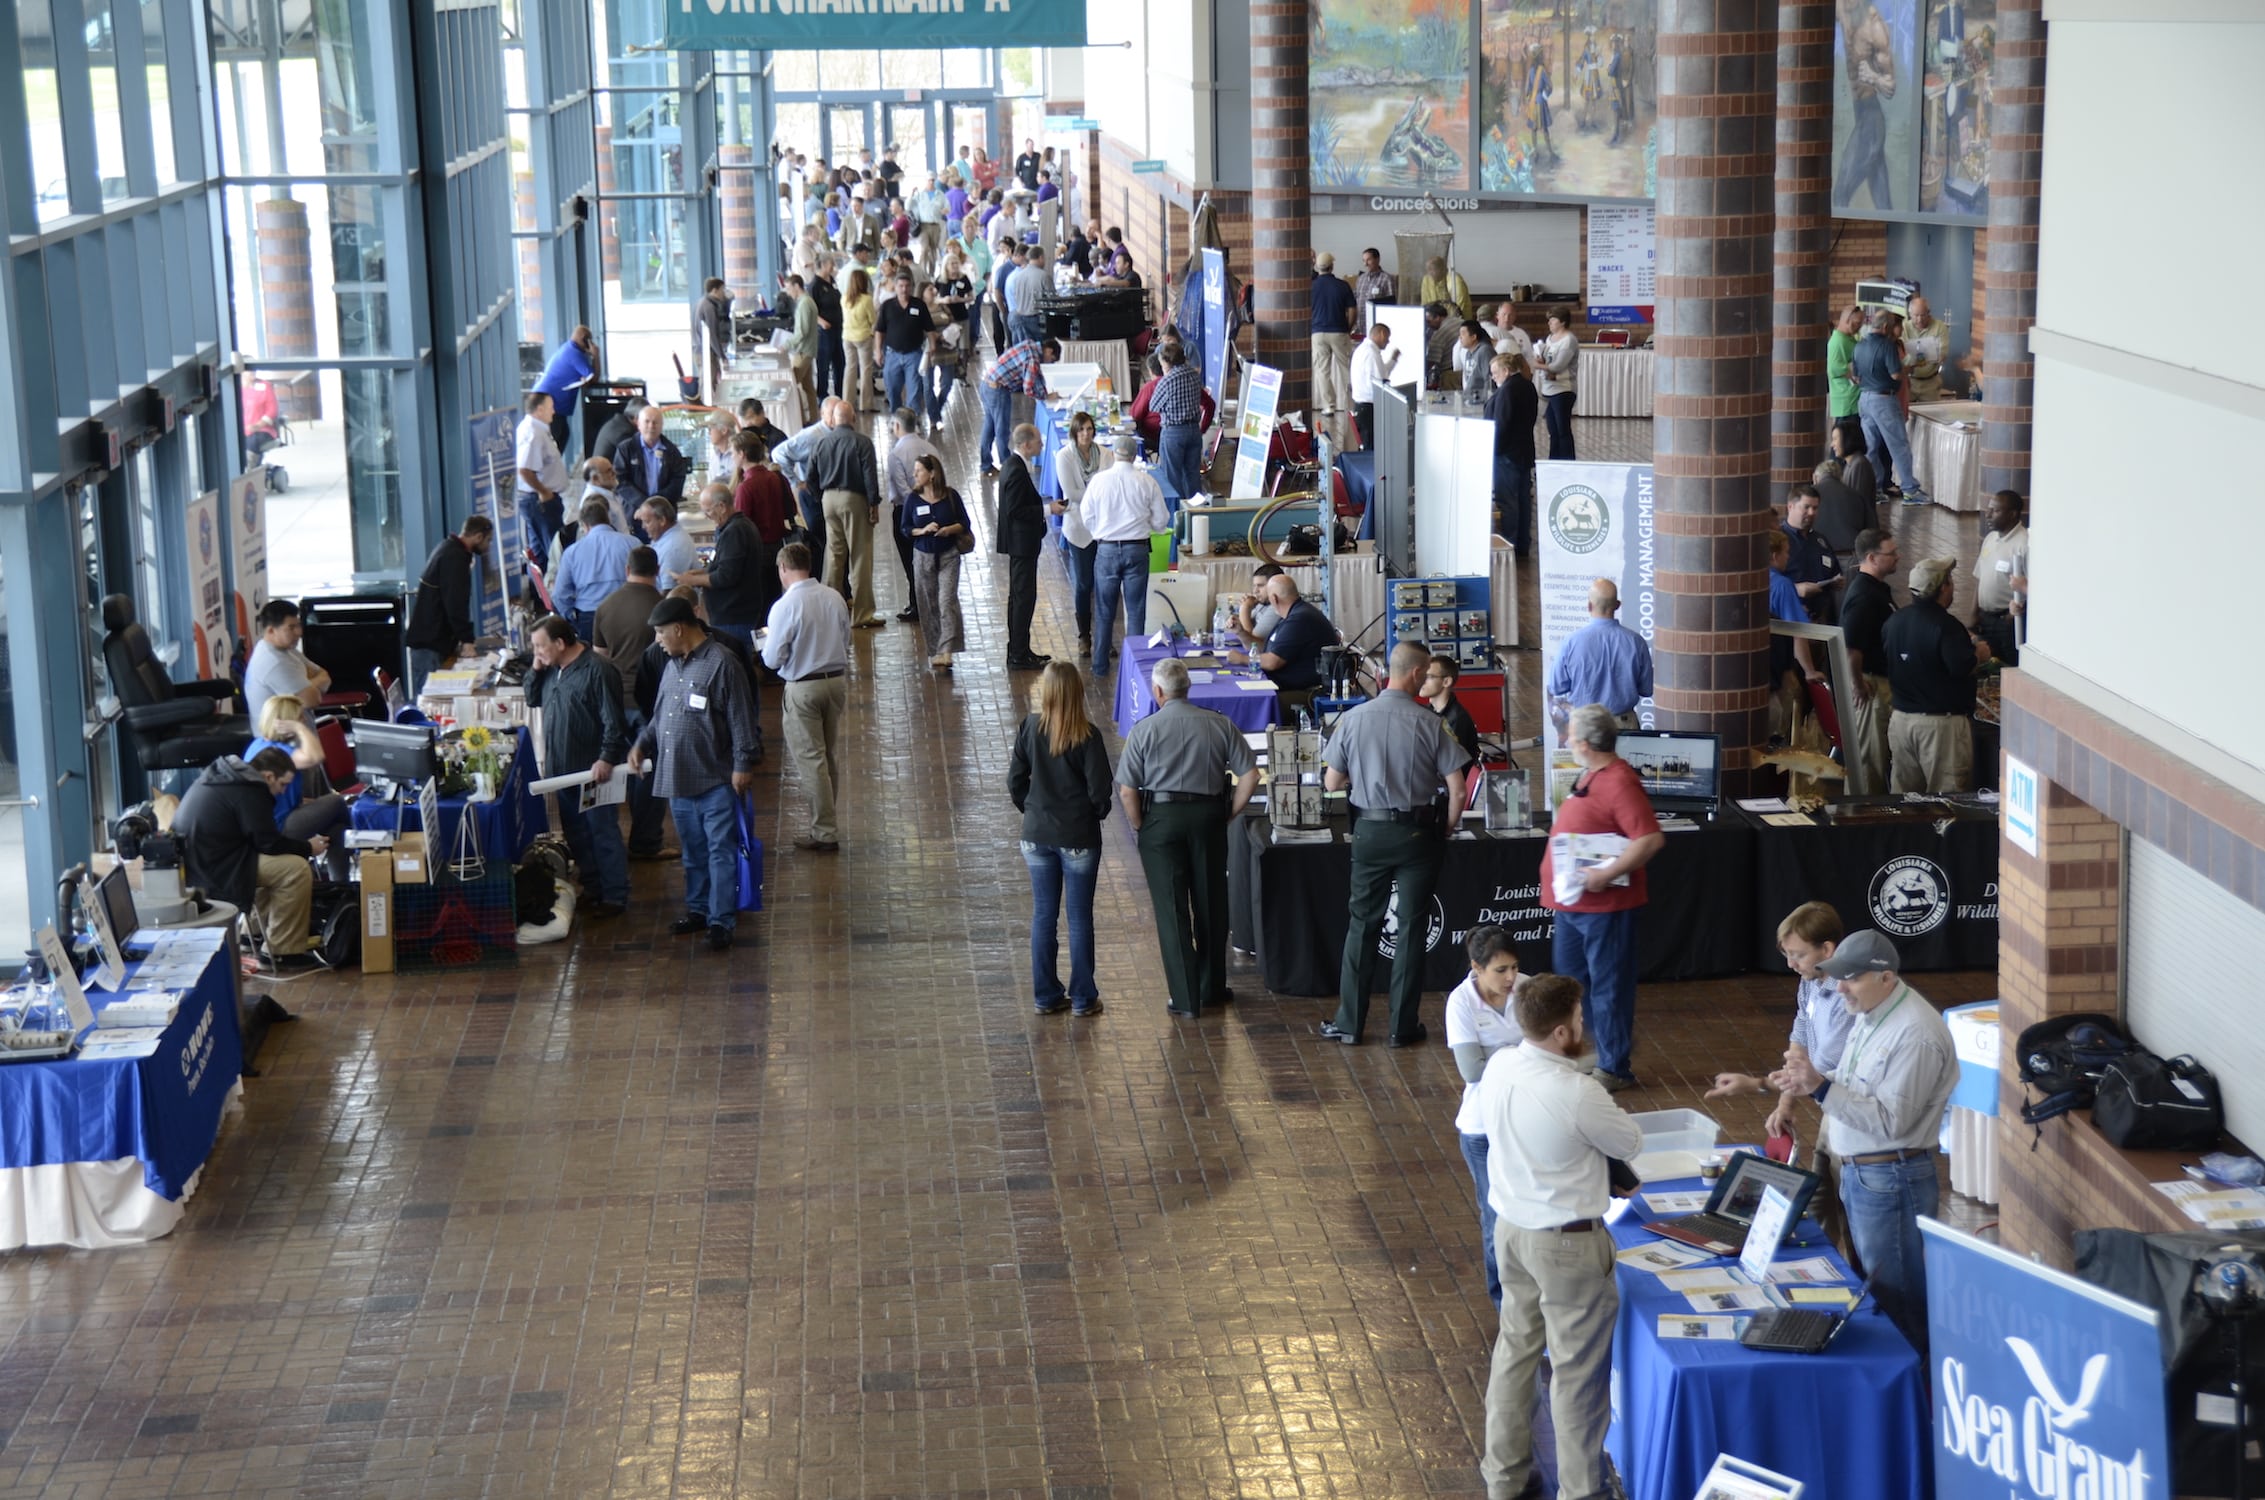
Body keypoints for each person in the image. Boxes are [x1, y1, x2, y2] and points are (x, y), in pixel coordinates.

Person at [1474, 973, 1642, 1500]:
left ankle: (1503, 1477)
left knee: (1515, 1354)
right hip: (1568, 1247)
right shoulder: (1578, 1091)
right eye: (1579, 1016)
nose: (1584, 1023)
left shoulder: (1500, 1064)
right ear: (1563, 1032)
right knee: (1577, 1377)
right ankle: (1582, 1491)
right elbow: (1629, 1140)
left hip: (1512, 1233)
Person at [1769, 929, 1957, 1359]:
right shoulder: (1872, 1013)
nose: (1839, 988)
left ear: (1886, 977)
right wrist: (1806, 1084)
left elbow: (1892, 1122)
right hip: (1866, 1175)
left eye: (1850, 979)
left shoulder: (1915, 1035)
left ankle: (1915, 1397)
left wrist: (1819, 1089)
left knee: (1897, 1299)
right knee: (1875, 1288)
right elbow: (1855, 1086)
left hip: (1892, 1179)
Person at [1319, 642, 1473, 1047]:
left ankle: (1350, 1023)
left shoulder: (1352, 719)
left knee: (1362, 925)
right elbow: (1458, 790)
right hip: (1418, 834)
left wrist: (1366, 783)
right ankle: (1402, 1028)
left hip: (1369, 832)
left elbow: (1331, 783)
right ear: (1419, 674)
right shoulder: (1430, 723)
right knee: (1410, 928)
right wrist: (1448, 829)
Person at [1708, 901, 1857, 1260]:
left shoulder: (1845, 996)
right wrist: (1785, 1103)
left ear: (1827, 949)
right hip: (1831, 1113)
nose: (1790, 964)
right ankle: (1821, 1270)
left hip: (1856, 1122)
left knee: (1852, 1222)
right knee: (1820, 1206)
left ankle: (1859, 1286)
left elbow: (1815, 1072)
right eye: (1787, 954)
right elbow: (1801, 1036)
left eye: (1798, 955)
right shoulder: (1811, 979)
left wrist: (1756, 1084)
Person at [1115, 658, 1260, 1019]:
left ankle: (1184, 996)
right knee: (1211, 903)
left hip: (1160, 821)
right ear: (1188, 688)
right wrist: (1229, 813)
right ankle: (1211, 987)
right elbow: (1251, 776)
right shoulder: (1219, 724)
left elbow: (1127, 790)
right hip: (1208, 817)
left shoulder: (1144, 730)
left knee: (1171, 909)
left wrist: (1140, 826)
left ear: (1158, 692)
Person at [1539, 703, 1665, 1092]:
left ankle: (1614, 1064)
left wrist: (1605, 874)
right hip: (1574, 905)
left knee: (1608, 984)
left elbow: (1649, 839)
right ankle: (1606, 1045)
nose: (1566, 741)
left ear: (1589, 743)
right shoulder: (1594, 774)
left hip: (1604, 908)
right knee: (1573, 983)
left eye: (1571, 736)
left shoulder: (1619, 781)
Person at [630, 596, 760, 952]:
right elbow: (661, 715)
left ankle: (721, 921)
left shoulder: (722, 663)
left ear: (678, 628)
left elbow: (740, 718)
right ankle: (699, 909)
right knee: (693, 851)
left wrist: (742, 764)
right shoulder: (672, 665)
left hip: (715, 778)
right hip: (678, 779)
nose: (657, 640)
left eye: (659, 632)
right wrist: (642, 743)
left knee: (720, 850)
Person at [1009, 662, 1115, 1018]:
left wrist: (1032, 810)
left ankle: (1046, 995)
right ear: (1077, 693)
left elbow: (1015, 780)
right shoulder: (1087, 736)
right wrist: (1093, 814)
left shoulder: (1029, 728)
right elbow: (1100, 792)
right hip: (1078, 837)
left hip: (1036, 835)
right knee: (1080, 918)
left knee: (1043, 915)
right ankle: (1083, 998)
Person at [175, 746, 329, 969]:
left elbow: (263, 841)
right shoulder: (250, 789)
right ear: (268, 776)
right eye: (283, 784)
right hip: (216, 868)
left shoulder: (228, 777)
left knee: (278, 866)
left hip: (202, 861)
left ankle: (252, 932)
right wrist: (308, 847)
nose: (284, 792)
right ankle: (281, 952)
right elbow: (268, 842)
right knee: (295, 869)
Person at [525, 615, 631, 919]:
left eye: (540, 646)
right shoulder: (550, 670)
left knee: (602, 834)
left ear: (560, 643)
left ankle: (614, 895)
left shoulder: (598, 671)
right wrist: (536, 666)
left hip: (593, 774)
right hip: (563, 772)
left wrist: (607, 758)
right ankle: (593, 887)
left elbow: (615, 722)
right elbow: (532, 697)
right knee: (578, 835)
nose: (537, 652)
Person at [1443, 926, 1523, 1309]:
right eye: (1500, 970)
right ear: (1476, 967)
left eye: (1514, 968)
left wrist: (1501, 1055)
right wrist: (1525, 1055)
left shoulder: (1528, 989)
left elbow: (1563, 1048)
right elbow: (1471, 1070)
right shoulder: (1460, 1003)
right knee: (1496, 1221)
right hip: (1482, 1131)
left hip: (1524, 1122)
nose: (1510, 978)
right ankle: (1503, 1304)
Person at [760, 541, 851, 853]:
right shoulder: (833, 596)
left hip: (803, 688)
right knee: (827, 756)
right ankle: (825, 822)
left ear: (783, 568)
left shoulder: (785, 606)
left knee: (812, 760)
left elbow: (772, 659)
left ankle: (824, 831)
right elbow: (846, 637)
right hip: (835, 682)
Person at [1881, 554, 1986, 792]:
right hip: (1940, 729)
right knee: (1947, 803)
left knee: (1906, 801)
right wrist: (1979, 653)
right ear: (1943, 588)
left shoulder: (1895, 621)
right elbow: (1962, 667)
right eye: (1950, 580)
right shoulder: (1946, 626)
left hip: (1901, 722)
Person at [1079, 431, 1170, 677]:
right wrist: (1147, 524)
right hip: (1137, 549)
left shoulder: (1098, 481)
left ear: (1114, 455)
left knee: (1105, 610)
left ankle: (1099, 666)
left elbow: (1086, 515)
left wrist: (1101, 531)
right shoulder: (1147, 481)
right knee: (1136, 610)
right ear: (1133, 456)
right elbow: (1162, 521)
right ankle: (1135, 669)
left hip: (1106, 550)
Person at [805, 395, 885, 628]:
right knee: (860, 557)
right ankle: (862, 614)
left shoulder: (821, 442)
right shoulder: (862, 442)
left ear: (834, 420)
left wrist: (820, 496)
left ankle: (829, 612)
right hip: (854, 499)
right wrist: (874, 504)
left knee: (834, 556)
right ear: (852, 418)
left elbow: (809, 476)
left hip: (828, 499)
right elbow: (870, 476)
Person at [243, 694, 350, 856]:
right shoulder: (278, 753)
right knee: (337, 801)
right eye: (300, 718)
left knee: (335, 825)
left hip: (283, 816)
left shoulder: (258, 743)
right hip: (280, 826)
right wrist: (299, 729)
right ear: (285, 722)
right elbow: (316, 757)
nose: (305, 721)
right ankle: (361, 844)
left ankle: (340, 880)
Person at [1839, 528, 1900, 792]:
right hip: (1870, 687)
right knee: (1869, 759)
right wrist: (1858, 685)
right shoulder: (1864, 596)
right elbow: (1852, 649)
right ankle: (1861, 813)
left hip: (1877, 683)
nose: (1898, 557)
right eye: (1892, 553)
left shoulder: (1876, 589)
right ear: (1873, 558)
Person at [1548, 579, 1652, 731]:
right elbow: (1646, 689)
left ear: (1589, 606)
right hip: (1625, 726)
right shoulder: (1636, 642)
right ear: (1617, 605)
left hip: (1585, 727)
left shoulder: (1571, 642)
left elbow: (1556, 687)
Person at [405, 515, 494, 693]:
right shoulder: (455, 558)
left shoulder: (447, 547)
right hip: (430, 645)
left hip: (430, 641)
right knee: (430, 702)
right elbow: (455, 604)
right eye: (488, 540)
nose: (488, 545)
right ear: (477, 537)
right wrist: (466, 639)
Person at [901, 454, 970, 670]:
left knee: (946, 601)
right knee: (929, 604)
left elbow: (965, 522)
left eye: (919, 470)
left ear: (932, 474)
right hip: (923, 557)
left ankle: (947, 650)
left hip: (949, 555)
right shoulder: (912, 499)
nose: (914, 474)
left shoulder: (950, 496)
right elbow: (905, 528)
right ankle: (936, 649)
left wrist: (949, 529)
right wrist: (922, 530)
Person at [1855, 309, 1928, 503]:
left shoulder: (1860, 344)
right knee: (1899, 445)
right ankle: (1910, 490)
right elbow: (1895, 374)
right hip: (1884, 399)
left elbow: (1855, 375)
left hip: (1864, 398)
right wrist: (1908, 368)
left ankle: (1874, 489)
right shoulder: (1887, 345)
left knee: (1871, 447)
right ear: (1886, 327)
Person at [995, 423, 1052, 671]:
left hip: (1021, 544)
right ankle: (1018, 653)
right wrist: (1049, 510)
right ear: (1026, 444)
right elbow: (1017, 510)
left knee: (1020, 597)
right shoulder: (1016, 470)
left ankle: (1020, 649)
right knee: (1022, 598)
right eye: (1038, 441)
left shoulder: (1013, 465)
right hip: (1022, 545)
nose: (1041, 444)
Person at [1053, 410, 1107, 658]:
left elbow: (1111, 487)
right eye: (1081, 429)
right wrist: (1098, 494)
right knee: (1084, 583)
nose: (1086, 434)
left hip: (1104, 527)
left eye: (1089, 429)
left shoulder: (1105, 455)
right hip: (1078, 528)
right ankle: (1084, 635)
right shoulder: (1064, 456)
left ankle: (1105, 637)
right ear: (1074, 433)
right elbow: (1071, 493)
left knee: (1105, 584)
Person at [1835, 0, 1899, 209]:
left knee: (1840, 195)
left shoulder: (1875, 26)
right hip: (1860, 115)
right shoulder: (1840, 8)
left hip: (1871, 123)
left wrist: (1874, 78)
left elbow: (1890, 86)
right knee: (1884, 206)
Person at [727, 429, 794, 622]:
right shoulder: (776, 478)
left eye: (733, 453)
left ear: (742, 454)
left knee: (758, 607)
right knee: (773, 601)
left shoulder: (745, 488)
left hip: (756, 553)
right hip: (777, 548)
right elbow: (791, 509)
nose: (732, 457)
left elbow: (741, 526)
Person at [1231, 573, 1335, 695]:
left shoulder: (1299, 619)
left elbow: (1272, 662)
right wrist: (1241, 633)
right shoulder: (1293, 613)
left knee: (1246, 703)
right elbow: (1266, 649)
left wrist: (1242, 659)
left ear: (1274, 598)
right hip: (1283, 685)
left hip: (1302, 693)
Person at [883, 407, 941, 622]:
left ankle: (919, 605)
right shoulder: (930, 447)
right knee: (927, 558)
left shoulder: (896, 454)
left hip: (906, 513)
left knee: (910, 561)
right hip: (933, 509)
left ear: (897, 426)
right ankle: (920, 602)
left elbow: (902, 489)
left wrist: (914, 510)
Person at [552, 496, 634, 641]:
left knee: (594, 661)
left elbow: (560, 594)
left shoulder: (572, 552)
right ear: (608, 520)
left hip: (589, 617)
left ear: (584, 525)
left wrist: (572, 617)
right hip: (626, 613)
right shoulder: (632, 543)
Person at [242, 599, 333, 726]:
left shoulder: (287, 649)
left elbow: (325, 676)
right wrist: (309, 686)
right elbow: (312, 699)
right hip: (283, 741)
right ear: (271, 631)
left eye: (298, 625)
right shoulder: (274, 662)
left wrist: (307, 686)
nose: (299, 632)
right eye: (291, 627)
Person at [980, 334, 1058, 478]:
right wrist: (1045, 397)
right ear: (1049, 351)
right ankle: (1007, 467)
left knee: (989, 428)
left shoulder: (1030, 345)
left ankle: (985, 466)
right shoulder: (1033, 357)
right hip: (998, 390)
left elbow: (1036, 376)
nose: (1049, 363)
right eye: (1051, 360)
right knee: (1001, 431)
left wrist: (1044, 393)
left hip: (987, 384)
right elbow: (1028, 388)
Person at [1487, 352, 1539, 551]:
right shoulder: (1528, 386)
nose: (1493, 377)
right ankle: (1523, 544)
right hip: (1524, 450)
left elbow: (1501, 424)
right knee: (1524, 499)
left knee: (1508, 502)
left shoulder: (1507, 391)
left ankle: (1509, 544)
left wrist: (1493, 450)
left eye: (1495, 373)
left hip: (1506, 453)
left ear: (1506, 371)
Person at [1973, 488, 2028, 666]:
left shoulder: (2024, 544)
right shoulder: (1990, 538)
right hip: (1984, 618)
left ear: (2012, 514)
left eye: (1995, 511)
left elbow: (2031, 585)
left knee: (2009, 667)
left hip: (2006, 622)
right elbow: (1980, 577)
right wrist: (1973, 613)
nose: (1988, 515)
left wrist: (2010, 619)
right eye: (1989, 509)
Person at [515, 391, 571, 565]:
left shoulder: (538, 430)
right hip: (541, 502)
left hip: (539, 500)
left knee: (539, 552)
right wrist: (543, 491)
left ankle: (538, 591)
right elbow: (524, 469)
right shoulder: (533, 433)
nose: (554, 412)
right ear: (539, 410)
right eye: (550, 408)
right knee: (554, 550)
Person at [1781, 483, 1844, 624]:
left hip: (1821, 616)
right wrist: (1795, 589)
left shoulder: (1820, 540)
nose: (1811, 513)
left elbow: (1833, 570)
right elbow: (1768, 580)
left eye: (1815, 508)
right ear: (1790, 506)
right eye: (1806, 507)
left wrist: (1835, 582)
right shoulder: (1778, 539)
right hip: (1791, 616)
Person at [1149, 344, 1205, 501]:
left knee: (1172, 478)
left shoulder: (1167, 380)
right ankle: (1196, 514)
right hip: (1194, 430)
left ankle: (1178, 517)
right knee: (1193, 477)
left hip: (1173, 432)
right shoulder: (1195, 376)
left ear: (1167, 362)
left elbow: (1153, 406)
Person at [878, 273, 936, 419]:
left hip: (914, 354)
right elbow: (880, 330)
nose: (904, 289)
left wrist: (932, 347)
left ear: (911, 287)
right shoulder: (887, 306)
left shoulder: (919, 305)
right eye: (900, 286)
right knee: (892, 389)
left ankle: (912, 422)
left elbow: (929, 328)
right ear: (895, 287)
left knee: (914, 391)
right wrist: (877, 351)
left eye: (907, 286)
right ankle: (896, 419)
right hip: (892, 354)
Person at [612, 404, 689, 515]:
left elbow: (677, 481)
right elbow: (620, 481)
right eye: (647, 421)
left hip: (663, 514)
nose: (651, 426)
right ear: (638, 424)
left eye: (655, 422)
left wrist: (655, 504)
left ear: (662, 425)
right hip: (634, 513)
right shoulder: (625, 449)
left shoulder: (672, 451)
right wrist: (643, 503)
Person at [534, 324, 601, 451]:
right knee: (555, 438)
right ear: (584, 339)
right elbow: (594, 378)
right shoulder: (575, 354)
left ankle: (552, 468)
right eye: (589, 340)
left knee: (562, 434)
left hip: (549, 402)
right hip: (550, 404)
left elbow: (587, 380)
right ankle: (549, 469)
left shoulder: (568, 349)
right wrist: (596, 355)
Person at [1309, 252, 1357, 427]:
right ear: (1332, 266)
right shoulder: (1342, 286)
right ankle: (1351, 406)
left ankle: (1328, 406)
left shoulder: (1311, 287)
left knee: (1322, 371)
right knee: (1347, 369)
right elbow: (1352, 310)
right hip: (1339, 331)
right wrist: (1348, 328)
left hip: (1317, 333)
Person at [1422, 653, 1482, 767]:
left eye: (1428, 677)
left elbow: (1451, 764)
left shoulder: (1457, 719)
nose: (1422, 681)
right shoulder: (1429, 711)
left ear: (1446, 682)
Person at [1810, 455, 1877, 556]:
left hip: (1816, 553)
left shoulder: (1807, 496)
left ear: (1814, 477)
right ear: (1841, 477)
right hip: (1849, 553)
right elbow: (1872, 530)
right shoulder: (1856, 495)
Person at [1348, 321, 1401, 449]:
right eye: (1387, 338)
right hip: (1368, 408)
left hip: (1364, 407)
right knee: (1371, 449)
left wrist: (1393, 360)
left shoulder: (1366, 350)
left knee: (1370, 446)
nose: (1388, 342)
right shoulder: (1370, 353)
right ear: (1381, 334)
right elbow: (1380, 382)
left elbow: (1382, 373)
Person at [1536, 308, 1579, 461]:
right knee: (1552, 430)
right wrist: (1541, 361)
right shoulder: (1550, 338)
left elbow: (1558, 366)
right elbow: (1547, 360)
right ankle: (1554, 461)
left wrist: (1537, 365)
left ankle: (1568, 461)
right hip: (1548, 388)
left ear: (1562, 322)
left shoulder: (1569, 340)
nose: (1550, 323)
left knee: (1562, 429)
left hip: (1563, 390)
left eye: (1553, 320)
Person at [636, 495, 698, 593]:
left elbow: (669, 594)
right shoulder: (665, 536)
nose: (643, 527)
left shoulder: (672, 548)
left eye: (647, 522)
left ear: (662, 520)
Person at [784, 273, 822, 417]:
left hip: (803, 351)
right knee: (808, 387)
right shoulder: (807, 302)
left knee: (792, 384)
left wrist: (786, 345)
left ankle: (799, 418)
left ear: (796, 286)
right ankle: (813, 417)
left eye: (789, 288)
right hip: (808, 349)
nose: (788, 293)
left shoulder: (805, 303)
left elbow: (802, 331)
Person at [840, 268, 877, 412]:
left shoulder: (844, 298)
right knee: (866, 369)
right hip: (863, 337)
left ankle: (847, 403)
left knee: (849, 369)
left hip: (847, 337)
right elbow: (872, 319)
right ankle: (865, 404)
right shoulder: (867, 299)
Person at [808, 258, 846, 400]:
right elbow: (812, 310)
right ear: (822, 265)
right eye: (831, 263)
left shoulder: (832, 282)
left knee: (840, 362)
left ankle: (840, 393)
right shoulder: (814, 286)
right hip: (824, 331)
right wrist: (822, 322)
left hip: (838, 328)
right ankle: (822, 396)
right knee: (823, 364)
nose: (833, 266)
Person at [1903, 294, 1950, 403]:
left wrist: (1938, 356)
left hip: (1930, 383)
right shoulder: (1904, 327)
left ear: (1929, 313)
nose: (1919, 319)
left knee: (1931, 414)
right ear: (1910, 314)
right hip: (1909, 381)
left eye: (1923, 315)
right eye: (1916, 315)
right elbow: (1902, 353)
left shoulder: (1939, 326)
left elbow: (1942, 353)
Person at [1825, 304, 1865, 430]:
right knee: (1845, 441)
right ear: (1847, 320)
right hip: (1846, 400)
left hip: (1852, 399)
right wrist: (1853, 373)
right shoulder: (1837, 341)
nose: (1859, 327)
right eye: (1857, 323)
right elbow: (1833, 369)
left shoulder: (1848, 339)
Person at [1006, 245, 1050, 349]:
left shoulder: (1018, 276)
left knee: (1021, 351)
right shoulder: (1044, 276)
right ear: (1040, 258)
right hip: (1036, 320)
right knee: (1037, 351)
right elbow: (1052, 299)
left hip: (1018, 316)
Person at [696, 277, 734, 395]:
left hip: (701, 350)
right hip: (706, 352)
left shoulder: (702, 302)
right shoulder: (709, 307)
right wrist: (722, 356)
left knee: (708, 383)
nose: (724, 293)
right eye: (722, 289)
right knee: (708, 384)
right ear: (714, 290)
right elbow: (712, 334)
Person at [1452, 321, 1495, 406]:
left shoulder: (1485, 351)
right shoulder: (1468, 353)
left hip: (1481, 402)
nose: (1460, 337)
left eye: (1463, 334)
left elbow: (1489, 379)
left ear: (1473, 337)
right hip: (1472, 400)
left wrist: (1487, 401)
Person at [1353, 246, 1397, 327]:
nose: (1365, 264)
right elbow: (1355, 299)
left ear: (1377, 260)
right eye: (1364, 260)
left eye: (1368, 260)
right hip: (1360, 323)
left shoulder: (1387, 279)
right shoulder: (1361, 279)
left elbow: (1391, 304)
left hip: (1377, 324)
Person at [1419, 254, 1471, 322]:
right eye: (1428, 270)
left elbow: (1458, 309)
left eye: (1432, 269)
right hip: (1434, 322)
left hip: (1458, 322)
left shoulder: (1455, 281)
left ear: (1442, 269)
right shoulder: (1427, 280)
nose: (1430, 273)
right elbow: (1425, 304)